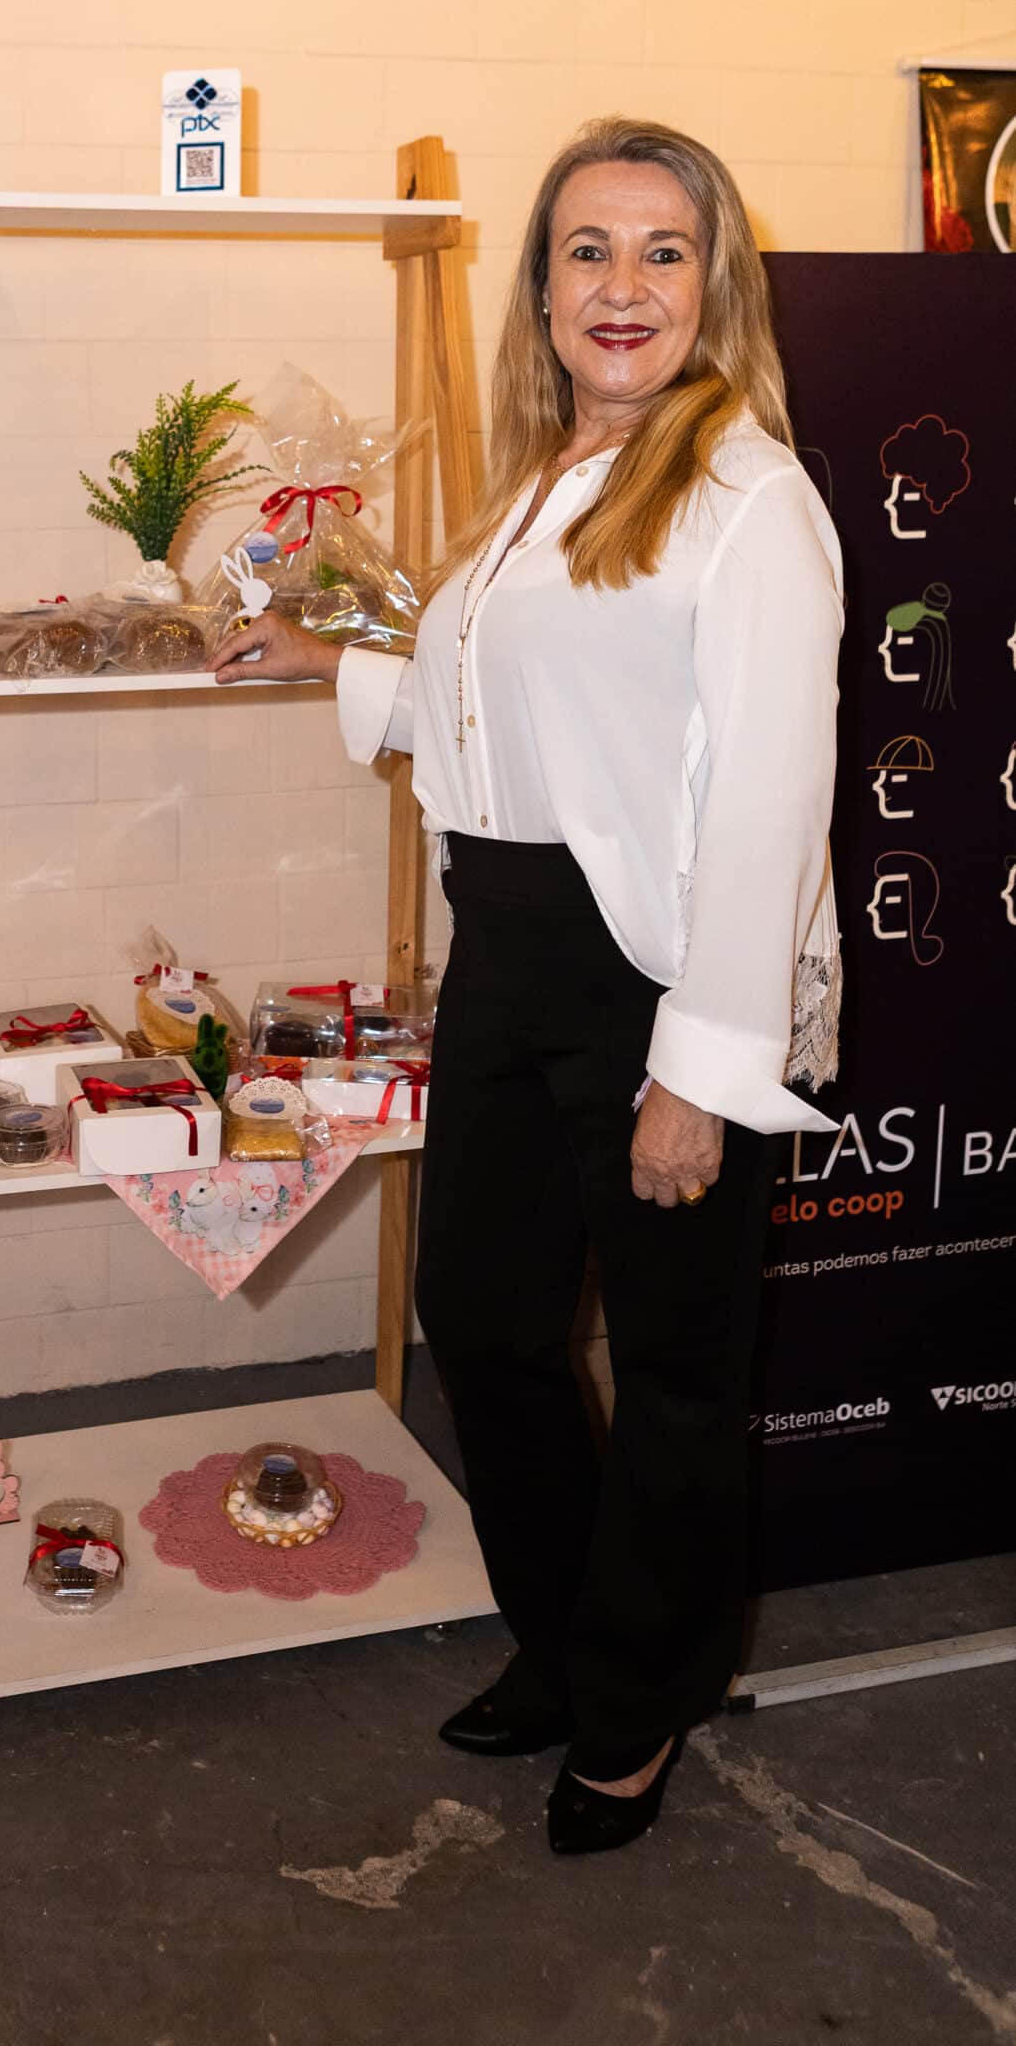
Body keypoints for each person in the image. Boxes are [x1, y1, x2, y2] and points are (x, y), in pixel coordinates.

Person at [212, 117, 843, 1856]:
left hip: (657, 978)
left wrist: (697, 1070)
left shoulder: (748, 500)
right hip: (504, 953)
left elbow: (769, 800)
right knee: (482, 1320)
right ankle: (562, 1642)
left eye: (660, 250)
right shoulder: (539, 479)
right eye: (586, 249)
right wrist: (330, 655)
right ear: (543, 291)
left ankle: (636, 1705)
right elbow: (504, 708)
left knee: (676, 1369)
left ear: (712, 286)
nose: (621, 285)